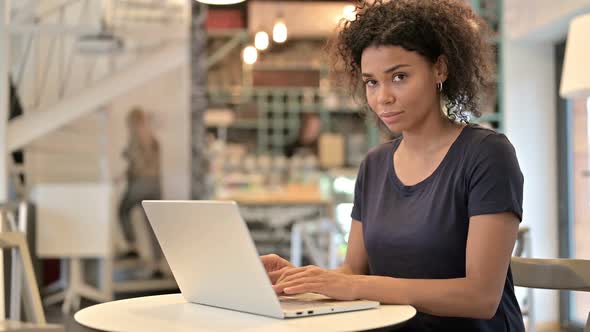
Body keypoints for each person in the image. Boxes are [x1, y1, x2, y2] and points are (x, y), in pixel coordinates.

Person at [261, 0, 525, 331]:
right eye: (371, 81)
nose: (382, 97)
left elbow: (480, 296)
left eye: (398, 76)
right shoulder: (375, 164)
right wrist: (302, 280)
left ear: (440, 69)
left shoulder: (487, 155)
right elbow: (354, 273)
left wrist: (352, 285)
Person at [118, 107, 162, 257]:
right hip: (155, 184)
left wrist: (124, 173)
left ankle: (132, 246)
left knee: (123, 210)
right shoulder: (152, 137)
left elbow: (137, 165)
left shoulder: (135, 138)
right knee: (153, 225)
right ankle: (158, 265)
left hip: (140, 183)